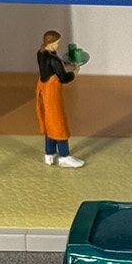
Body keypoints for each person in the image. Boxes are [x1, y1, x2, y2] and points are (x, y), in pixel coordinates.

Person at [36, 30, 84, 166]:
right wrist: (74, 72)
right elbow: (63, 78)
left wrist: (65, 64)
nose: (58, 45)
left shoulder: (42, 53)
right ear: (50, 43)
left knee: (49, 121)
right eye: (57, 43)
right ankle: (64, 156)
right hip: (52, 92)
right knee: (58, 122)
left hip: (43, 89)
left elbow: (54, 66)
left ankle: (50, 153)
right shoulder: (53, 59)